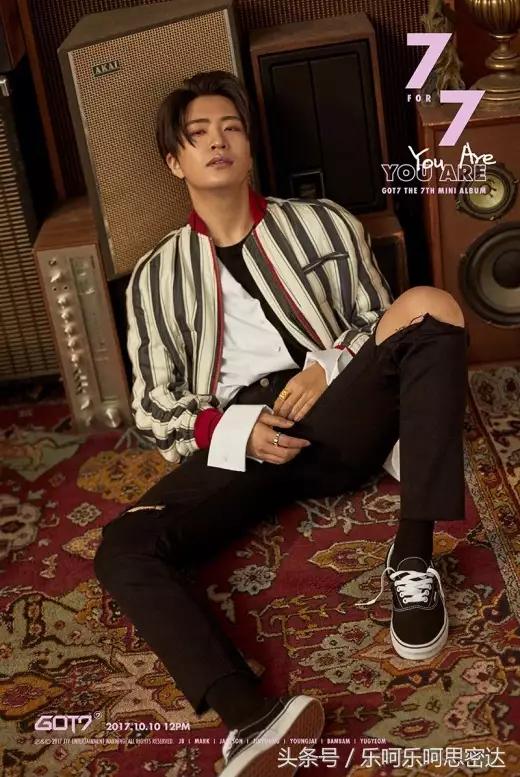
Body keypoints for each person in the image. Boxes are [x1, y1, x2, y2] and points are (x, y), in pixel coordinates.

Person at [94, 70, 469, 776]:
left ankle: (414, 558)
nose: (218, 142)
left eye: (231, 128)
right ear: (175, 161)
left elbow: (380, 316)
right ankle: (253, 718)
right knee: (123, 547)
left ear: (249, 146)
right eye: (198, 134)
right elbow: (153, 402)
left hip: (336, 412)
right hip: (239, 441)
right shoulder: (155, 276)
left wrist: (327, 366)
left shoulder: (323, 224)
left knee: (432, 305)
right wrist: (231, 430)